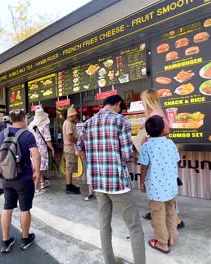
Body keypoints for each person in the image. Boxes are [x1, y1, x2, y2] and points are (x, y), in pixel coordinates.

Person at [76, 95, 145, 264]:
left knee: (104, 225)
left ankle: (109, 261)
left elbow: (79, 147)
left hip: (98, 183)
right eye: (122, 107)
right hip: (117, 183)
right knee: (135, 227)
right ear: (118, 104)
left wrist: (93, 160)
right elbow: (127, 154)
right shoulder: (121, 121)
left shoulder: (88, 122)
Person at [0, 109, 41, 253]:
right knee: (24, 208)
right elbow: (36, 155)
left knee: (7, 208)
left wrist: (5, 169)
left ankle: (5, 241)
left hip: (7, 178)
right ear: (23, 119)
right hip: (24, 178)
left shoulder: (2, 134)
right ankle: (25, 238)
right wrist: (37, 173)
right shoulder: (27, 135)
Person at [141, 89, 184, 229]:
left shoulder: (155, 114)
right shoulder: (157, 112)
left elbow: (166, 131)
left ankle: (176, 220)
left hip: (158, 156)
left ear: (147, 100)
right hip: (162, 156)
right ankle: (171, 218)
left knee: (161, 190)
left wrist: (147, 137)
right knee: (165, 191)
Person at [139, 115, 180, 254]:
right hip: (171, 186)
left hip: (156, 189)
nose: (168, 126)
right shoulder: (170, 143)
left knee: (158, 215)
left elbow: (144, 166)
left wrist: (142, 181)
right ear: (162, 130)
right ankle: (172, 238)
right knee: (171, 212)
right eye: (166, 125)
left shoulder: (146, 146)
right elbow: (176, 161)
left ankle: (162, 243)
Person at [28, 107, 55, 192]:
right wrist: (52, 149)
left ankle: (42, 182)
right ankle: (36, 187)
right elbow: (47, 139)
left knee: (35, 167)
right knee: (40, 167)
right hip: (42, 148)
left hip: (32, 148)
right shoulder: (44, 125)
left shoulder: (31, 125)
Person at [63, 106, 81, 194]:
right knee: (70, 168)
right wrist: (78, 140)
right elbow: (69, 137)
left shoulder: (69, 123)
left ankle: (70, 184)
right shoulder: (68, 124)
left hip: (69, 148)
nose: (75, 117)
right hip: (70, 149)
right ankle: (69, 186)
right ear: (70, 116)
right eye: (74, 116)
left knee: (70, 167)